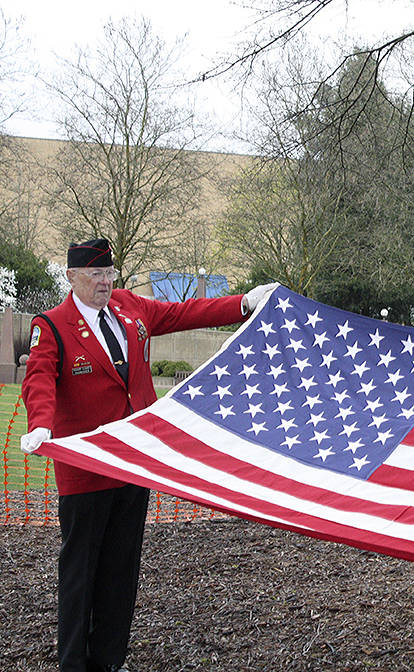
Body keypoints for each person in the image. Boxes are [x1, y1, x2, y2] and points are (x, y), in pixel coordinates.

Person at [19, 239, 278, 672]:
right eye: (95, 275)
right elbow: (39, 377)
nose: (105, 283)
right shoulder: (53, 325)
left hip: (134, 465)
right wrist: (40, 423)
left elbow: (184, 313)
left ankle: (109, 661)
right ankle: (73, 664)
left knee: (121, 574)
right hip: (86, 471)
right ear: (71, 278)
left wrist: (243, 304)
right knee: (80, 576)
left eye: (109, 274)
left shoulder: (129, 308)